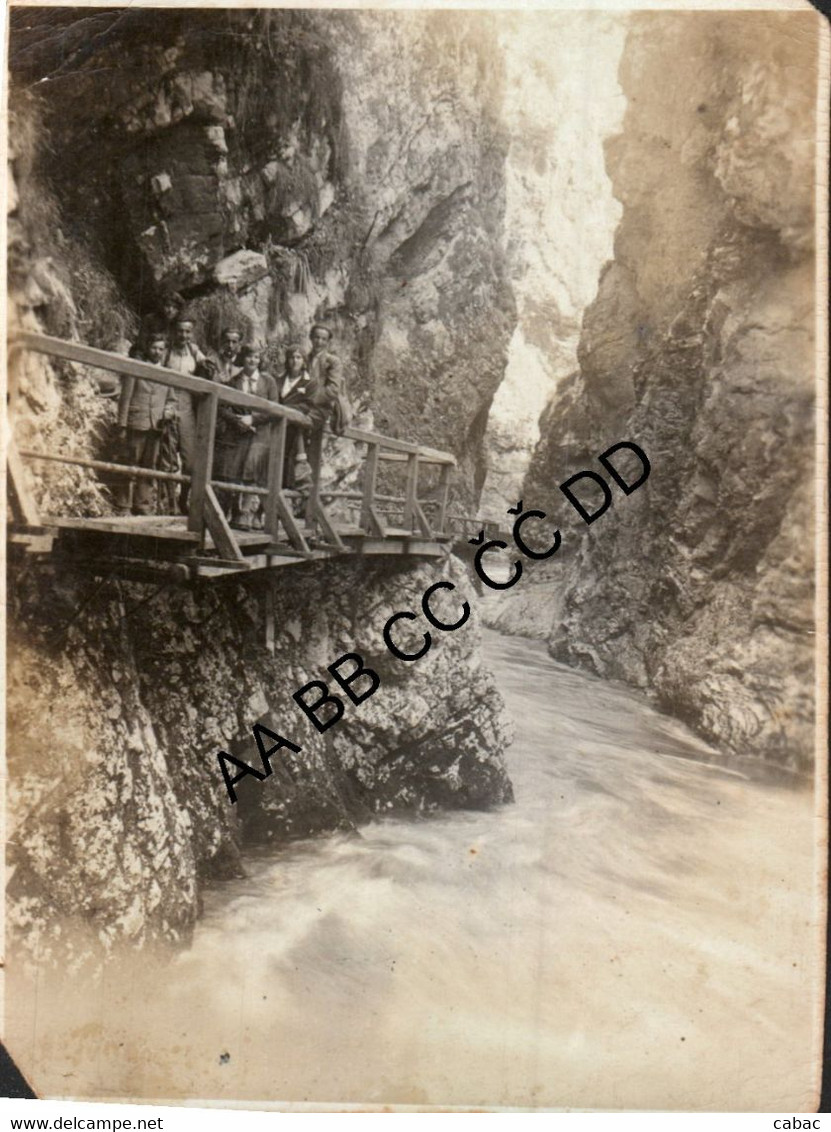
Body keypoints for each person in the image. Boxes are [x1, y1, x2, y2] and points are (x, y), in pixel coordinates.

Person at [216, 345, 279, 529]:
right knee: (235, 471)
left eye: (256, 357)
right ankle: (236, 513)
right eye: (249, 357)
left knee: (253, 471)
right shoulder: (234, 381)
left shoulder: (268, 382)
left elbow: (274, 409)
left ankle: (249, 513)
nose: (253, 360)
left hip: (260, 433)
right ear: (242, 359)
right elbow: (222, 406)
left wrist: (254, 419)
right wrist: (237, 421)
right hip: (239, 433)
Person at [114, 333, 175, 516]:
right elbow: (125, 399)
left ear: (165, 351)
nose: (157, 352)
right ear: (148, 348)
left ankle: (143, 504)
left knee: (149, 465)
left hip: (156, 426)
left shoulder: (168, 374)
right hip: (137, 422)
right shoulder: (136, 368)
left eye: (161, 349)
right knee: (130, 462)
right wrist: (122, 425)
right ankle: (124, 503)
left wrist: (168, 411)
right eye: (154, 348)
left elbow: (171, 400)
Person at [164, 315, 209, 514]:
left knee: (190, 461)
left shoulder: (194, 352)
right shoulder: (166, 352)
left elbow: (209, 370)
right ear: (174, 332)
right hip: (169, 404)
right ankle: (170, 503)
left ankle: (183, 499)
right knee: (168, 458)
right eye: (180, 331)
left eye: (187, 331)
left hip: (188, 408)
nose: (183, 335)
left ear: (192, 333)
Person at [278, 343, 331, 491]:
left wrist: (286, 411)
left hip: (294, 424)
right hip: (277, 422)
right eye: (291, 357)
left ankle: (296, 479)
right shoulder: (279, 379)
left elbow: (307, 404)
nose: (294, 361)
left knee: (290, 452)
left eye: (298, 357)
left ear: (304, 361)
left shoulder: (310, 383)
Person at [307, 323, 352, 434]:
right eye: (316, 337)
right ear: (311, 338)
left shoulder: (333, 361)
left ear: (328, 342)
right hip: (303, 404)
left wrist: (311, 399)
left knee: (301, 419)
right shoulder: (305, 358)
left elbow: (333, 389)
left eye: (324, 339)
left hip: (322, 408)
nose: (319, 342)